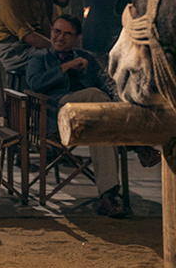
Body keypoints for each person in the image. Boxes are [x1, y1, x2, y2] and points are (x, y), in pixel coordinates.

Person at [25, 14, 126, 217]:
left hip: (91, 118)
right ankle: (138, 145)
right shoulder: (39, 57)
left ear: (76, 38)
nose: (60, 38)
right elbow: (35, 83)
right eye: (57, 31)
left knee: (103, 132)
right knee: (96, 95)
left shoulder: (86, 57)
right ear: (51, 31)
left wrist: (121, 100)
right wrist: (66, 67)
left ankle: (107, 196)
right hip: (57, 113)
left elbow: (106, 82)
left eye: (67, 34)